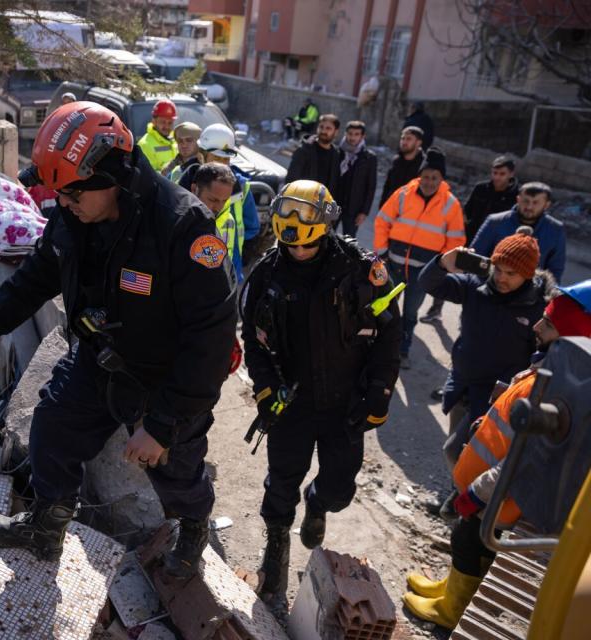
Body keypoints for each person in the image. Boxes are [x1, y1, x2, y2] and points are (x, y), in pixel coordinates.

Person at [0, 102, 237, 578]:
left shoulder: (183, 226)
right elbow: (41, 270)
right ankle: (46, 530)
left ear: (110, 176)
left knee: (177, 470)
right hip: (98, 358)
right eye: (60, 195)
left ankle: (193, 528)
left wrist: (161, 423)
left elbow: (211, 339)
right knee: (52, 428)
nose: (64, 203)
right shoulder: (74, 214)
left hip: (162, 378)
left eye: (71, 194)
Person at [240, 179, 401, 614]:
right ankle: (275, 551)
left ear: (326, 220)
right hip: (290, 404)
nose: (295, 228)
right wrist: (265, 387)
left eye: (305, 215)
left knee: (338, 489)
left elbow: (390, 335)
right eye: (287, 212)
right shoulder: (265, 275)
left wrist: (379, 394)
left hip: (345, 405)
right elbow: (252, 341)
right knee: (280, 483)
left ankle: (318, 503)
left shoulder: (360, 268)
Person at [403, 282, 591, 630]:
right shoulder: (550, 371)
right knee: (466, 544)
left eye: (548, 324)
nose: (536, 326)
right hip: (488, 488)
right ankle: (450, 589)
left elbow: (523, 461)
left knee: (470, 545)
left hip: (497, 498)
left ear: (571, 336)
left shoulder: (555, 392)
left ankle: (452, 609)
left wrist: (476, 494)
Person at [418, 230, 554, 469]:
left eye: (511, 273)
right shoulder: (475, 286)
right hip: (461, 384)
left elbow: (544, 354)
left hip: (494, 395)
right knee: (459, 450)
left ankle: (463, 503)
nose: (501, 277)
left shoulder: (539, 307)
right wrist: (442, 263)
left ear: (528, 273)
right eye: (498, 269)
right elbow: (429, 284)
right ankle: (456, 497)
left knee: (456, 452)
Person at [374, 147, 465, 369]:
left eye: (434, 178)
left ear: (441, 179)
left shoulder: (450, 204)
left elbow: (455, 241)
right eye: (425, 176)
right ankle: (376, 346)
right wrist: (382, 252)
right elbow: (382, 221)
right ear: (420, 175)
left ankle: (402, 350)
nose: (429, 181)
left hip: (422, 272)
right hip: (393, 264)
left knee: (410, 313)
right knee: (384, 307)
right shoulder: (403, 193)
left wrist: (441, 268)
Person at [420, 155, 521, 323]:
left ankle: (473, 319)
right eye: (494, 172)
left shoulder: (516, 197)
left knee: (485, 286)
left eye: (502, 173)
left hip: (497, 252)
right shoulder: (481, 188)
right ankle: (436, 309)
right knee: (451, 274)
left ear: (511, 174)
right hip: (471, 243)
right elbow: (466, 213)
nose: (497, 177)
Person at [180, 124, 260, 282]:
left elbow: (252, 227)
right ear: (202, 155)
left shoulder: (241, 186)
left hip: (229, 273)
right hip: (187, 270)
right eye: (217, 158)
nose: (223, 164)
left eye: (226, 159)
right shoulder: (180, 176)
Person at [471, 182, 566, 284]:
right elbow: (476, 256)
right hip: (492, 285)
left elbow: (555, 270)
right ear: (518, 199)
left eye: (535, 202)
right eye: (526, 201)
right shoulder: (495, 222)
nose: (529, 207)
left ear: (546, 205)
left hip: (529, 293)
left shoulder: (555, 230)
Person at [334, 120, 377, 239]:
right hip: (334, 204)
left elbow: (371, 186)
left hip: (354, 209)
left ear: (362, 136)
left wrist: (364, 212)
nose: (353, 137)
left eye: (356, 134)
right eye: (350, 133)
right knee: (326, 237)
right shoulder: (337, 152)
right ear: (345, 134)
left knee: (349, 242)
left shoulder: (369, 157)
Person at [284, 113, 342, 194]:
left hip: (323, 204)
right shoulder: (304, 151)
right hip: (303, 201)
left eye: (328, 128)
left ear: (336, 132)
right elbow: (291, 181)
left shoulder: (336, 155)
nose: (323, 131)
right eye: (321, 127)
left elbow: (334, 185)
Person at [379, 126, 425, 208]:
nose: (404, 142)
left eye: (409, 139)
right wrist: (382, 207)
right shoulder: (397, 161)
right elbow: (388, 186)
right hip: (391, 210)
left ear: (418, 142)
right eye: (403, 138)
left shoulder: (424, 166)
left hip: (410, 213)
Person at [136, 98, 178, 173]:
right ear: (154, 121)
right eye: (163, 122)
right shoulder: (145, 144)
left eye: (170, 123)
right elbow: (147, 175)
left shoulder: (176, 140)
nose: (167, 126)